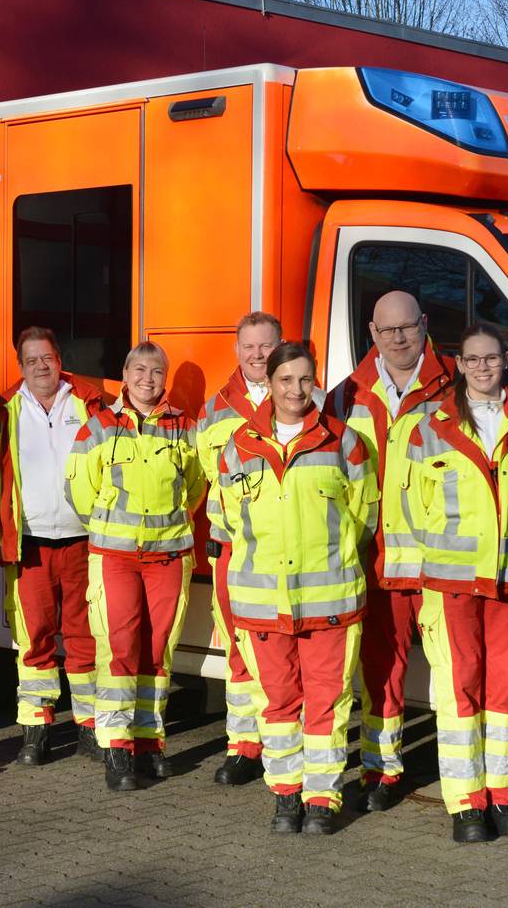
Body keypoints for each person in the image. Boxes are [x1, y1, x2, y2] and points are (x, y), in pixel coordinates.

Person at [215, 342, 379, 835]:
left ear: (316, 383)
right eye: (285, 380)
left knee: (327, 702)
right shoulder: (237, 447)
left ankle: (323, 798)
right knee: (278, 704)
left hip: (329, 601)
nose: (295, 390)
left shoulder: (344, 443)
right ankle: (285, 795)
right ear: (269, 383)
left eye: (305, 380)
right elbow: (226, 522)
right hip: (263, 605)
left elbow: (364, 516)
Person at [404, 321, 508, 842]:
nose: (483, 367)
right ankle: (465, 802)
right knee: (459, 688)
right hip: (453, 584)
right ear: (459, 365)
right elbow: (411, 506)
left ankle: (502, 793)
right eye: (473, 359)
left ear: (504, 360)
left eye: (492, 358)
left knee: (504, 690)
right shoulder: (430, 428)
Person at [326, 290, 453, 812]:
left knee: (456, 671)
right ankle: (382, 770)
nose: (398, 338)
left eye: (407, 327)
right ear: (372, 334)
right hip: (376, 558)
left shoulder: (457, 387)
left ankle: (466, 776)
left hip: (443, 560)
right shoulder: (344, 396)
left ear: (423, 324)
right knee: (380, 673)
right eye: (387, 330)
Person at [68, 341, 204, 791]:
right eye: (140, 370)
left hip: (168, 555)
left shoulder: (184, 427)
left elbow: (196, 485)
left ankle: (148, 740)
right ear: (124, 375)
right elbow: (80, 491)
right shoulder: (99, 425)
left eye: (157, 371)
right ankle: (117, 749)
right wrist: (110, 525)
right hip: (116, 557)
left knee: (158, 648)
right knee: (119, 646)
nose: (148, 378)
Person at [0, 326, 104, 766]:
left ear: (60, 360)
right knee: (33, 638)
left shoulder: (89, 405)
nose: (41, 366)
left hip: (81, 540)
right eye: (32, 360)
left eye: (48, 358)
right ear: (20, 367)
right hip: (31, 544)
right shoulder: (5, 411)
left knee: (84, 636)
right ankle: (35, 731)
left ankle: (88, 727)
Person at [197, 311, 282, 787]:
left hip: (287, 549)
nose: (257, 355)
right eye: (248, 347)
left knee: (285, 649)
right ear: (236, 350)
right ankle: (243, 745)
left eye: (265, 346)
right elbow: (208, 478)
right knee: (238, 648)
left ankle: (282, 742)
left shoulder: (301, 397)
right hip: (234, 547)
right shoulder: (215, 410)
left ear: (279, 345)